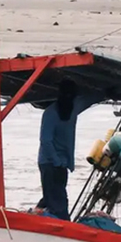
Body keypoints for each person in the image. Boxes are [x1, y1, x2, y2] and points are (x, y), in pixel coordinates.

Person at [34, 80, 98, 219]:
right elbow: (45, 140)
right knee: (59, 202)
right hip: (49, 163)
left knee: (54, 195)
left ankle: (37, 212)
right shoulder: (50, 113)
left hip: (62, 164)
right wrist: (56, 161)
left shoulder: (73, 107)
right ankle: (64, 225)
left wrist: (106, 93)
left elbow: (88, 101)